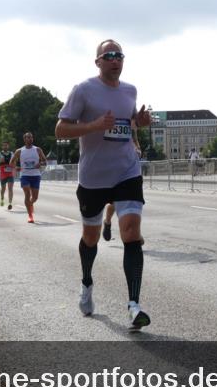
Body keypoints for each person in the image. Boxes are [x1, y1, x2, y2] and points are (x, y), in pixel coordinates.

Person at [56, 38, 152, 331]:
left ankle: (134, 306)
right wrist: (93, 126)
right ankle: (86, 283)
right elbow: (60, 129)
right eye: (108, 55)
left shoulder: (130, 91)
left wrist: (140, 122)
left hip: (126, 171)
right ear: (97, 61)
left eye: (119, 55)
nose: (115, 59)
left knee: (132, 232)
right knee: (90, 238)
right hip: (94, 178)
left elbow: (127, 122)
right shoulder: (83, 90)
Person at [103, 121, 142, 241]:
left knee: (133, 203)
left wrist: (137, 149)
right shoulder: (107, 116)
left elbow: (135, 139)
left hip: (131, 171)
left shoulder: (130, 120)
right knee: (115, 202)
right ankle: (107, 222)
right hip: (114, 169)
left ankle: (135, 234)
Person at [12, 132, 47, 223]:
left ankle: (30, 204)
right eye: (28, 137)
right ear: (24, 139)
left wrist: (40, 164)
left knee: (35, 197)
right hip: (25, 175)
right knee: (27, 194)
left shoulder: (38, 150)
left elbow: (45, 161)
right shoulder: (19, 151)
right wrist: (16, 167)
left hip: (35, 175)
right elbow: (12, 162)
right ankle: (30, 215)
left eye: (31, 137)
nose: (30, 139)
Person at [0, 142, 16, 210]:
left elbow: (15, 163)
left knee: (10, 188)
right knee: (3, 188)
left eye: (6, 145)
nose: (5, 147)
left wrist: (13, 164)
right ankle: (2, 199)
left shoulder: (12, 154)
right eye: (4, 146)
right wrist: (0, 161)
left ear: (8, 146)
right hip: (3, 173)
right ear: (2, 147)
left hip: (10, 173)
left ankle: (10, 203)